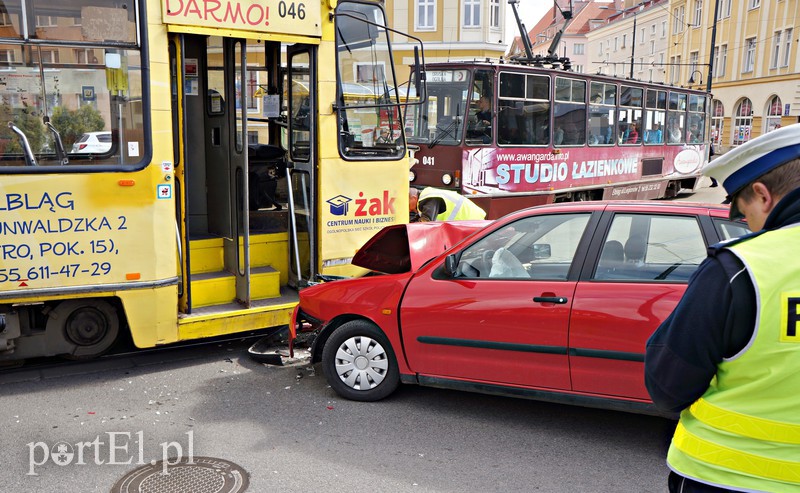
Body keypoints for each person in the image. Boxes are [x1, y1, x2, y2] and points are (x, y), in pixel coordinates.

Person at [644, 123, 800, 493]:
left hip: (725, 477)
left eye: (742, 213)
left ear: (763, 195)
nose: (745, 225)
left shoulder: (739, 269)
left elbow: (668, 386)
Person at [409, 187, 487, 222]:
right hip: (467, 222)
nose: (407, 208)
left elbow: (426, 222)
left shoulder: (429, 197)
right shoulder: (424, 199)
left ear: (414, 198)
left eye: (406, 203)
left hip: (471, 220)